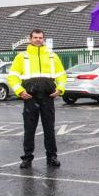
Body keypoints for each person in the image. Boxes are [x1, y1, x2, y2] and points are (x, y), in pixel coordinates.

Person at [7, 29, 67, 169]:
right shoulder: (22, 57)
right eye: (35, 37)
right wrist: (20, 91)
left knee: (49, 129)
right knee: (29, 129)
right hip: (30, 97)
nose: (38, 40)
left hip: (48, 97)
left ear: (43, 39)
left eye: (40, 37)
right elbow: (12, 76)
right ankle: (27, 158)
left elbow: (61, 75)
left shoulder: (52, 56)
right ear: (30, 39)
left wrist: (60, 89)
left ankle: (52, 157)